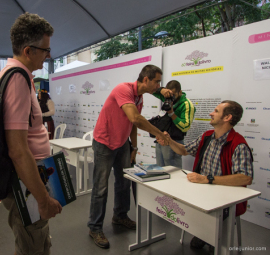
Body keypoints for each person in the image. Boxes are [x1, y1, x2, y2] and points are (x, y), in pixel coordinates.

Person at [0, 12, 62, 255]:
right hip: (25, 179)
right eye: (45, 49)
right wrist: (43, 200)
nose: (48, 55)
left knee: (36, 240)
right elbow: (17, 149)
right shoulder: (17, 79)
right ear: (28, 51)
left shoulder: (17, 77)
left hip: (28, 177)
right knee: (32, 245)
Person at [88, 64, 169, 249]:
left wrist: (133, 147)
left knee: (124, 182)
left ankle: (120, 216)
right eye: (156, 81)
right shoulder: (123, 89)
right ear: (146, 79)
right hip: (105, 143)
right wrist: (160, 134)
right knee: (100, 188)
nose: (158, 85)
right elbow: (135, 119)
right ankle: (94, 227)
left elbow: (132, 125)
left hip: (122, 143)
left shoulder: (139, 97)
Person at [156, 100, 253, 251]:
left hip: (224, 199)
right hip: (202, 192)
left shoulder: (238, 144)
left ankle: (210, 234)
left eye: (215, 111)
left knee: (215, 244)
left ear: (227, 118)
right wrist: (169, 142)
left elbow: (245, 178)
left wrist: (208, 179)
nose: (211, 113)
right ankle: (203, 232)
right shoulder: (207, 136)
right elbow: (184, 150)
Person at [152, 80, 195, 168]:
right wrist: (162, 90)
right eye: (169, 94)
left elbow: (185, 126)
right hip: (162, 139)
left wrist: (172, 113)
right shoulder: (167, 97)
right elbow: (152, 90)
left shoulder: (187, 104)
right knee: (160, 168)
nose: (171, 97)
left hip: (174, 141)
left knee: (173, 171)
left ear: (180, 92)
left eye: (173, 94)